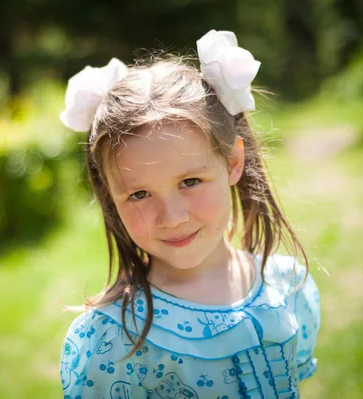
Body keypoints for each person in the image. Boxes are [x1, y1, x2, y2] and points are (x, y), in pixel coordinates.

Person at [58, 29, 321, 399]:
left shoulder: (286, 286)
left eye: (190, 181)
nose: (172, 216)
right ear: (110, 197)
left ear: (232, 162)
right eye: (139, 193)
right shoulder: (115, 342)